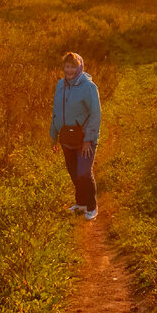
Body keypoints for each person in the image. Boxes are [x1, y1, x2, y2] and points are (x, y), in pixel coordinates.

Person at [50, 51, 101, 221]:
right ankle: (80, 203)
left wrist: (88, 140)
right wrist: (53, 136)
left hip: (84, 139)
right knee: (73, 172)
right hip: (66, 138)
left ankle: (92, 206)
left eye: (73, 66)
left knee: (83, 173)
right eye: (67, 66)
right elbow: (56, 112)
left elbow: (95, 114)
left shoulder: (88, 86)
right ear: (63, 67)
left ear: (79, 67)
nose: (69, 70)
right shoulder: (60, 85)